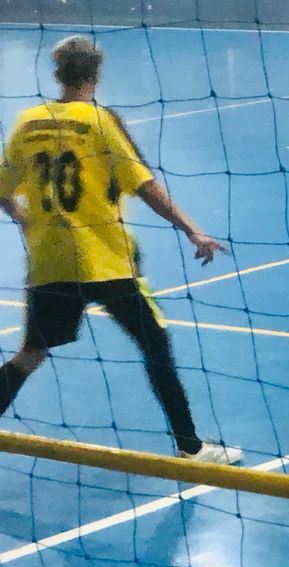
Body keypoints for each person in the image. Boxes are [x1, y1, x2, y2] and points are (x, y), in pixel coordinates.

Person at [0, 37, 240, 464]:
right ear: (95, 75)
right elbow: (144, 185)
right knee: (156, 344)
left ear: (58, 74)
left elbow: (3, 187)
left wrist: (20, 216)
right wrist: (192, 230)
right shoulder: (100, 121)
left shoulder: (28, 122)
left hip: (49, 261)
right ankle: (190, 446)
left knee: (31, 354)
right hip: (104, 261)